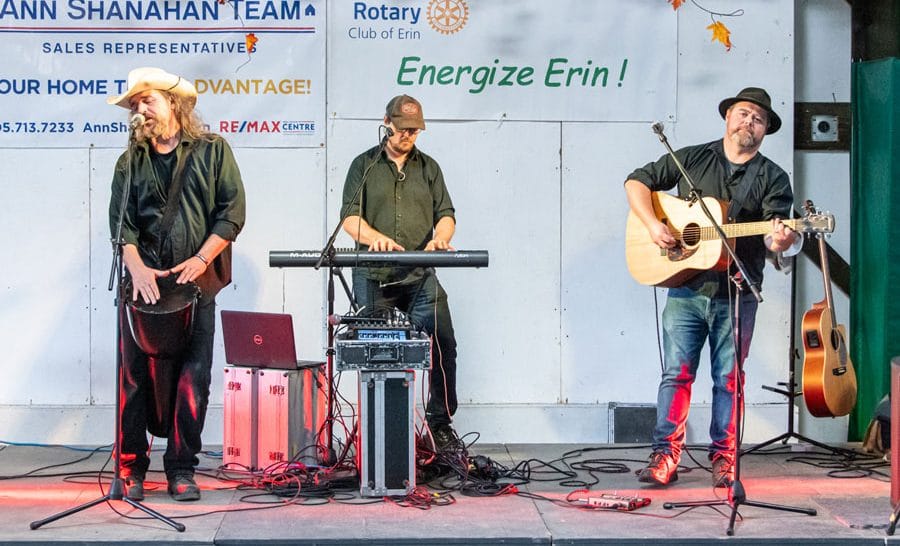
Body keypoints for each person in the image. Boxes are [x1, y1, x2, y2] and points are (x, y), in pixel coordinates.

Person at [624, 87, 801, 488]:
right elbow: (636, 182)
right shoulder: (693, 158)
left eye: (758, 119)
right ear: (728, 117)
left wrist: (782, 239)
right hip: (685, 287)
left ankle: (725, 457)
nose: (749, 122)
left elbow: (773, 237)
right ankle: (665, 454)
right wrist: (653, 225)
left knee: (728, 378)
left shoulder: (773, 177)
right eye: (743, 113)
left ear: (765, 130)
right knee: (676, 374)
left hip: (736, 292)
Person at [107, 67, 246, 501]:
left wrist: (202, 258)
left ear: (174, 103)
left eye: (147, 100)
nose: (140, 109)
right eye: (134, 104)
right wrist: (136, 267)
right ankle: (130, 468)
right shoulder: (131, 161)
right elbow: (121, 225)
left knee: (193, 377)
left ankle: (182, 468)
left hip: (195, 283)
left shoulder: (213, 150)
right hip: (143, 285)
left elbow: (232, 213)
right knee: (133, 378)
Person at [340, 94, 460, 451]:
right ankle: (377, 428)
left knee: (443, 344)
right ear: (386, 123)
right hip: (373, 277)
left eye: (414, 130)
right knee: (375, 351)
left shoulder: (429, 168)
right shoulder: (364, 165)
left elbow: (446, 214)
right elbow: (350, 218)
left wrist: (441, 237)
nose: (408, 135)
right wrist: (373, 238)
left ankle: (439, 425)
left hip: (419, 277)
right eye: (402, 128)